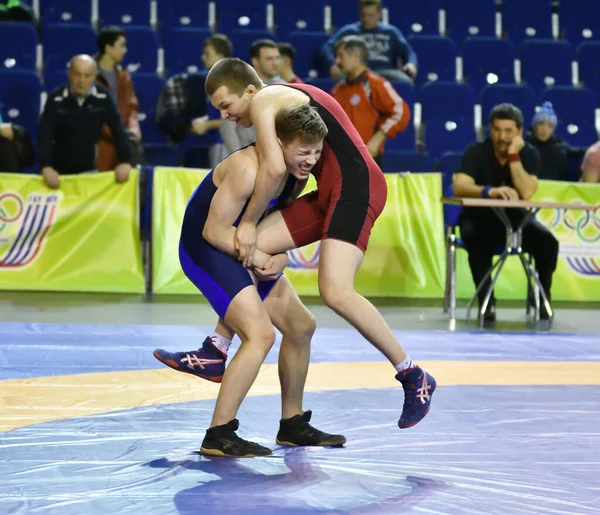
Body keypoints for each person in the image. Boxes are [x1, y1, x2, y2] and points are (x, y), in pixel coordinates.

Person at [174, 57, 436, 433]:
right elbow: (288, 174)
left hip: (356, 187)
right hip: (327, 191)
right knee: (254, 249)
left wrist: (248, 222)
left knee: (335, 291)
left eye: (227, 106)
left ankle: (412, 374)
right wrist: (271, 250)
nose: (226, 116)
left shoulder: (266, 100)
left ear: (250, 91)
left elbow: (275, 169)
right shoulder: (284, 105)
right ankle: (218, 347)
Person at [154, 103, 346, 457]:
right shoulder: (246, 168)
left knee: (301, 326)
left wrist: (279, 255)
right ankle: (219, 433)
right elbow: (213, 231)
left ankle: (292, 424)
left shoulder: (295, 172)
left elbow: (268, 224)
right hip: (205, 248)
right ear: (279, 144)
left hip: (239, 248)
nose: (311, 159)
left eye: (317, 151)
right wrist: (259, 257)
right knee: (259, 335)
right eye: (303, 151)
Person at [453, 103, 559, 321]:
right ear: (489, 129)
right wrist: (489, 191)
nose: (502, 136)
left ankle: (540, 296)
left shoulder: (528, 153)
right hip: (478, 218)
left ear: (520, 132)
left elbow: (527, 191)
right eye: (497, 130)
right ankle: (486, 300)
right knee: (476, 239)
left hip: (515, 221)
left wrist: (513, 155)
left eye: (508, 131)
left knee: (548, 243)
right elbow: (459, 186)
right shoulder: (475, 151)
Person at [38, 54, 132, 189]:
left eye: (87, 76)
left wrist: (124, 161)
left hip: (89, 171)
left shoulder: (103, 97)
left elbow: (118, 130)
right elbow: (44, 135)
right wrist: (46, 166)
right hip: (57, 173)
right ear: (69, 74)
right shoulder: (55, 99)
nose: (81, 80)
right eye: (77, 74)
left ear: (95, 76)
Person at [331, 36, 410, 167]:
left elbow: (401, 112)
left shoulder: (376, 84)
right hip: (341, 160)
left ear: (356, 56)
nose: (337, 61)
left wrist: (378, 138)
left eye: (341, 55)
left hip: (368, 160)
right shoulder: (337, 89)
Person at [321, 0, 418, 84]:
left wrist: (411, 64)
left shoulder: (391, 32)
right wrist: (333, 63)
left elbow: (409, 52)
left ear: (380, 14)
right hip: (356, 73)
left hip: (386, 72)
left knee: (406, 82)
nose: (366, 19)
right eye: (363, 15)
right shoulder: (349, 31)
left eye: (371, 15)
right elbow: (326, 47)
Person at [95, 27, 142, 171]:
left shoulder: (123, 75)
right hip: (98, 143)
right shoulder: (88, 74)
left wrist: (133, 128)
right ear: (108, 48)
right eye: (121, 45)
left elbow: (131, 107)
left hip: (121, 141)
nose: (125, 50)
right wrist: (117, 133)